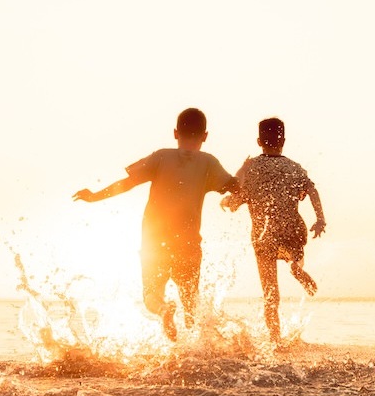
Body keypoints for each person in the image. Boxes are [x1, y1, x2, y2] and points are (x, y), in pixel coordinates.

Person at [74, 108, 236, 340]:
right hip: (188, 242)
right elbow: (235, 188)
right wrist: (245, 173)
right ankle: (198, 352)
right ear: (205, 136)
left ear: (175, 133)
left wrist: (95, 196)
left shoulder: (161, 157)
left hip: (154, 240)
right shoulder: (209, 163)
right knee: (191, 300)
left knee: (151, 294)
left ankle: (163, 310)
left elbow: (127, 183)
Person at [221, 118, 327, 340]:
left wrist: (229, 200)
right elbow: (312, 190)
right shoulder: (294, 168)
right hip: (292, 229)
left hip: (263, 236)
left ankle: (275, 338)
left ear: (259, 141)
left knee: (270, 293)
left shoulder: (252, 170)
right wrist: (320, 219)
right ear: (284, 141)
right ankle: (297, 268)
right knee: (296, 255)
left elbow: (236, 197)